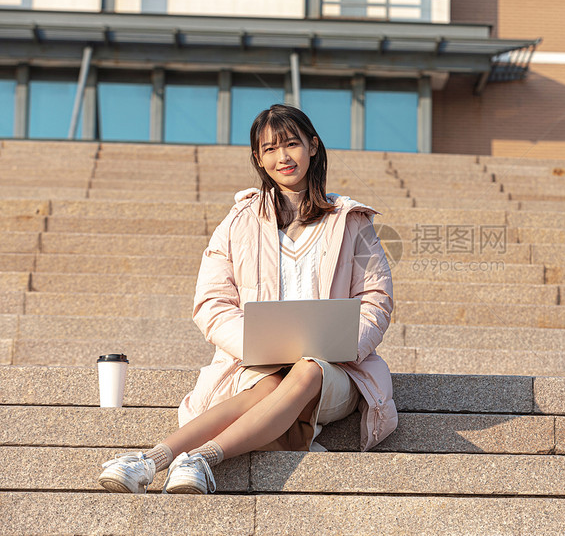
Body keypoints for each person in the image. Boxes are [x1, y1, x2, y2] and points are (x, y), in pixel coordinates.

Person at [97, 104, 397, 494]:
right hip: (258, 367)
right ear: (258, 158)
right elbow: (211, 301)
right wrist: (255, 345)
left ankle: (203, 458)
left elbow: (376, 299)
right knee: (269, 385)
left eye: (291, 144)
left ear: (313, 146)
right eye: (270, 149)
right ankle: (147, 461)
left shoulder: (351, 222)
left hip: (336, 372)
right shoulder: (238, 222)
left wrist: (346, 344)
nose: (282, 156)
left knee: (307, 368)